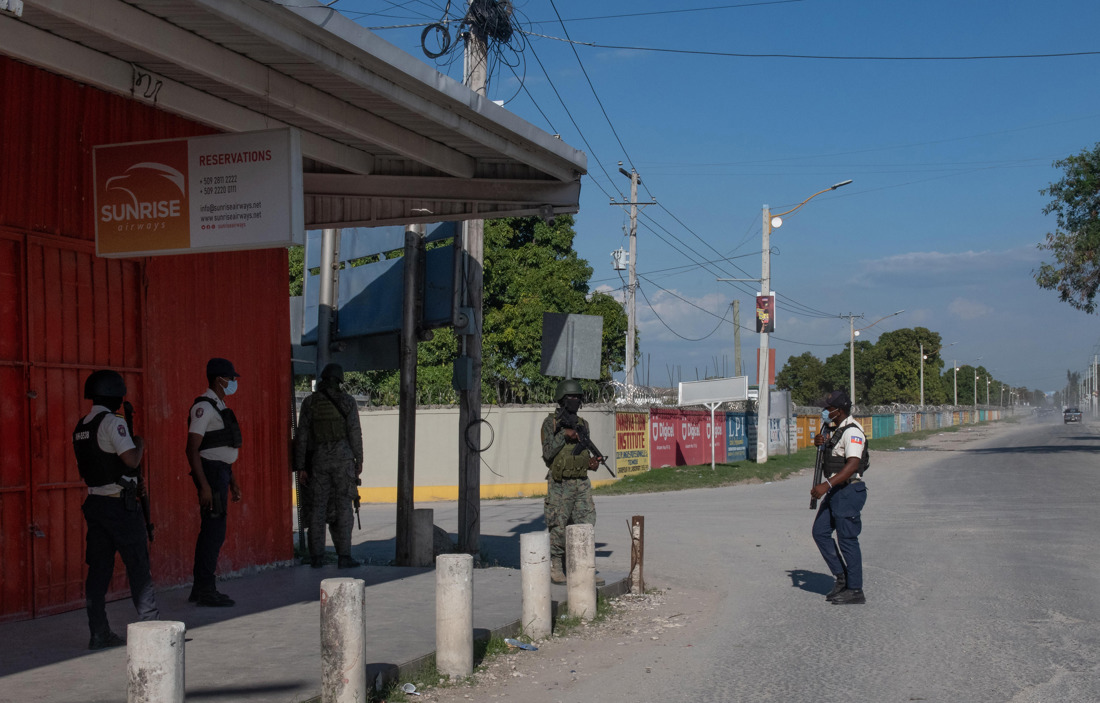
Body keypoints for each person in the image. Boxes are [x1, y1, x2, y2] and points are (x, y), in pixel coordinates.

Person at [73, 370, 159, 649]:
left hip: (96, 504)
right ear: (114, 395)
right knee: (138, 566)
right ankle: (153, 629)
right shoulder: (113, 423)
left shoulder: (82, 425)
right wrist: (142, 442)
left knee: (98, 571)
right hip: (119, 507)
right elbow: (131, 459)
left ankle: (98, 632)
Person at [293, 363, 363, 569]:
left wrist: (300, 466)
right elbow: (355, 434)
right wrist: (359, 460)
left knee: (317, 508)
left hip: (319, 461)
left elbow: (302, 437)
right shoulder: (348, 402)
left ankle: (316, 557)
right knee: (343, 507)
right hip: (343, 460)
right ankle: (344, 556)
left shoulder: (310, 403)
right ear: (340, 380)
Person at [186, 357, 243, 607]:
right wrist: (205, 487)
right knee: (212, 534)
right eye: (231, 378)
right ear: (220, 379)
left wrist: (232, 481)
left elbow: (222, 448)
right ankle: (206, 590)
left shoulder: (218, 405)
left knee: (212, 533)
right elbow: (192, 449)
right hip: (211, 475)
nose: (233, 382)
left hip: (221, 474)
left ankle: (200, 588)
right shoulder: (204, 408)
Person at [541, 379, 603, 585]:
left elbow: (582, 453)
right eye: (570, 398)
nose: (574, 401)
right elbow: (548, 453)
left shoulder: (583, 425)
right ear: (561, 400)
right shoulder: (550, 423)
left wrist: (591, 463)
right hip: (560, 485)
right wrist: (565, 435)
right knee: (558, 526)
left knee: (586, 524)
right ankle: (556, 566)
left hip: (581, 483)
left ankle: (582, 566)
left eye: (578, 397)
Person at [811, 389, 869, 605]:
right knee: (820, 532)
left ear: (840, 410)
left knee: (847, 540)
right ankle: (842, 577)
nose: (825, 412)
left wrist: (825, 485)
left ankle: (855, 589)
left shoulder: (853, 432)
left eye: (829, 408)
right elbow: (835, 455)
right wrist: (822, 443)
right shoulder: (838, 430)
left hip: (847, 491)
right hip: (836, 490)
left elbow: (852, 464)